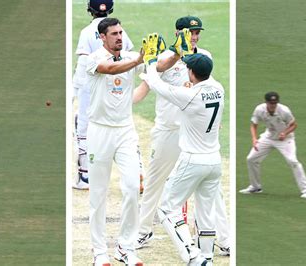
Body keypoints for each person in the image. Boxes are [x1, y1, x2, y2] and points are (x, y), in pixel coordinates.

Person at [133, 16, 230, 257]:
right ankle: (143, 231)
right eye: (190, 32)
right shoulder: (166, 56)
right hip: (168, 130)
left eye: (197, 32)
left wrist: (213, 123)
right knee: (155, 182)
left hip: (194, 133)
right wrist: (171, 56)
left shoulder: (204, 57)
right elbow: (153, 76)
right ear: (178, 33)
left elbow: (209, 88)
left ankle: (225, 239)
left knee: (212, 191)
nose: (195, 36)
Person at [85, 18, 144, 266]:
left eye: (121, 32)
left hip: (125, 131)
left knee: (132, 188)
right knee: (98, 193)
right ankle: (99, 251)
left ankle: (126, 247)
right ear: (102, 37)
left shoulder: (130, 57)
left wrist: (176, 51)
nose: (119, 37)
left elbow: (159, 67)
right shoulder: (94, 58)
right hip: (99, 132)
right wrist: (138, 60)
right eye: (114, 33)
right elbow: (110, 70)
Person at [72, 0, 134, 190]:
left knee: (83, 127)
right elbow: (127, 56)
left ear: (89, 10)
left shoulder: (85, 32)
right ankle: (136, 172)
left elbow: (83, 65)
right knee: (124, 128)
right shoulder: (119, 30)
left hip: (90, 87)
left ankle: (85, 176)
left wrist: (74, 91)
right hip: (116, 87)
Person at [239, 92, 306, 198]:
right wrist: (254, 138)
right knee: (251, 159)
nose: (273, 105)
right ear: (266, 102)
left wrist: (285, 133)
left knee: (293, 161)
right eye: (271, 103)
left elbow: (294, 125)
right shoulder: (259, 109)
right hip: (268, 137)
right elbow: (254, 125)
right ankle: (255, 187)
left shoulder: (284, 111)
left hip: (285, 140)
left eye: (275, 103)